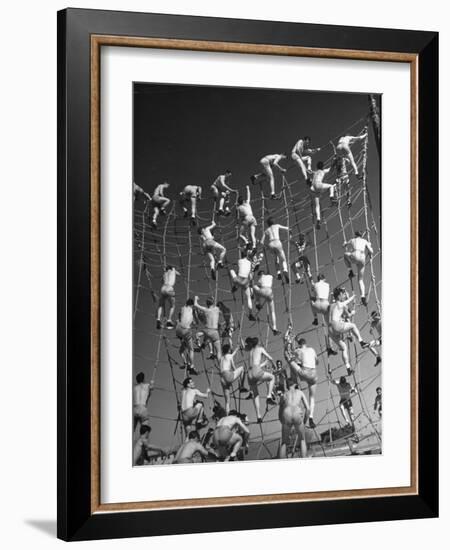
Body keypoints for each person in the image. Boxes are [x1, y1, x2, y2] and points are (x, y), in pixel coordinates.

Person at [328, 287, 369, 375]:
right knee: (353, 326)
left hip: (330, 330)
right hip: (336, 326)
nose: (343, 296)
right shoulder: (341, 304)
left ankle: (348, 368)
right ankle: (361, 342)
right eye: (342, 295)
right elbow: (348, 314)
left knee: (344, 348)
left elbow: (333, 304)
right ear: (339, 296)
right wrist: (352, 311)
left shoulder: (331, 305)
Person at [283, 328, 318, 429]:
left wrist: (289, 340)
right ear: (305, 343)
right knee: (312, 397)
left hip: (304, 373)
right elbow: (317, 361)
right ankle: (311, 417)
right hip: (314, 375)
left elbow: (288, 351)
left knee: (288, 359)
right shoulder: (312, 349)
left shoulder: (298, 350)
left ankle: (294, 385)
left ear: (299, 344)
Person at [244, 337, 276, 422]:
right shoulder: (260, 349)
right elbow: (270, 358)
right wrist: (274, 365)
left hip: (249, 374)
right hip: (256, 371)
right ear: (257, 343)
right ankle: (269, 396)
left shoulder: (250, 352)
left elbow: (254, 364)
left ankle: (258, 416)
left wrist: (263, 364)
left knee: (256, 395)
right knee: (272, 378)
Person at [278, 379, 310, 458]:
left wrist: (282, 421)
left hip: (286, 414)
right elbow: (308, 409)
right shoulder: (300, 392)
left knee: (284, 442)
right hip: (297, 413)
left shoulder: (284, 394)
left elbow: (280, 410)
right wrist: (305, 421)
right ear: (294, 385)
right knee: (302, 439)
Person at [343, 231, 374, 305]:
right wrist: (369, 245)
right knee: (360, 279)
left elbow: (343, 245)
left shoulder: (353, 240)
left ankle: (350, 271)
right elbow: (371, 251)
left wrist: (345, 243)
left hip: (355, 255)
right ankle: (363, 296)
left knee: (345, 255)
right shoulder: (365, 241)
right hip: (362, 258)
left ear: (355, 235)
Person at [309, 161, 336, 229]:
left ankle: (318, 219)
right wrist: (334, 162)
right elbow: (330, 169)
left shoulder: (315, 172)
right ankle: (331, 197)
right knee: (331, 186)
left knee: (317, 205)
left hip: (313, 189)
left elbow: (311, 175)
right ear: (322, 166)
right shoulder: (322, 171)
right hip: (318, 185)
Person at [261, 217, 290, 282]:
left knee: (275, 260)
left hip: (270, 244)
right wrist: (290, 230)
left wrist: (267, 247)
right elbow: (287, 228)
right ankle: (285, 270)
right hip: (277, 242)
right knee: (283, 259)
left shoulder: (267, 230)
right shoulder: (277, 225)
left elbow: (261, 242)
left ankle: (278, 273)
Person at [194, 296, 223, 360]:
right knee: (218, 351)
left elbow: (195, 304)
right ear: (213, 303)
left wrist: (196, 298)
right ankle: (221, 365)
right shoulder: (217, 309)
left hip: (207, 330)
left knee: (200, 336)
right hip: (215, 331)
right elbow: (222, 312)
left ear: (207, 304)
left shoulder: (206, 309)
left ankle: (201, 346)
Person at [252, 269, 281, 335]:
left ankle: (257, 303)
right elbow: (272, 276)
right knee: (273, 312)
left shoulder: (259, 279)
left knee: (254, 287)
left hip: (263, 291)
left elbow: (258, 285)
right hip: (270, 293)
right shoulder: (270, 276)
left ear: (260, 275)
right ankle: (274, 328)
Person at [219, 344, 245, 415]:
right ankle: (241, 386)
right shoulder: (230, 356)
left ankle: (227, 415)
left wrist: (236, 349)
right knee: (242, 368)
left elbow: (231, 355)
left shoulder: (221, 358)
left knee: (227, 401)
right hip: (228, 375)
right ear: (228, 350)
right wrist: (238, 374)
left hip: (222, 379)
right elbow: (234, 368)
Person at [175, 298, 198, 374]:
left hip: (178, 329)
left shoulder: (182, 308)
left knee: (181, 351)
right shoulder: (192, 311)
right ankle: (191, 366)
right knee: (191, 349)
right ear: (192, 305)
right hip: (186, 331)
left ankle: (185, 362)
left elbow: (179, 316)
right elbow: (195, 323)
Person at [156, 265, 180, 330]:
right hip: (169, 288)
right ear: (171, 268)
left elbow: (161, 281)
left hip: (163, 288)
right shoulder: (173, 270)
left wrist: (165, 271)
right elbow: (179, 274)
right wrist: (175, 271)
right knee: (172, 305)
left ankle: (158, 319)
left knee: (160, 305)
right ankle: (169, 320)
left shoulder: (164, 274)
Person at [237, 185, 257, 251]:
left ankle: (246, 242)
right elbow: (248, 195)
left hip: (246, 219)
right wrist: (248, 189)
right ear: (243, 201)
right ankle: (254, 246)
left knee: (240, 234)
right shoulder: (247, 203)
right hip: (253, 218)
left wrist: (239, 223)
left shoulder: (239, 208)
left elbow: (239, 217)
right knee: (252, 234)